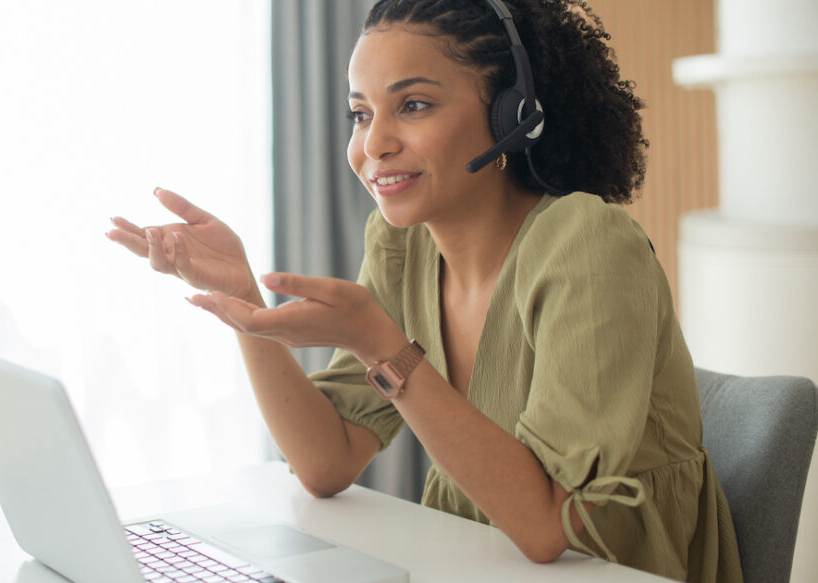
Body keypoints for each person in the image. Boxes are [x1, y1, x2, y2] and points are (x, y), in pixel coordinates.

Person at [107, 0, 741, 580]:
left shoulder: (589, 246)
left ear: (511, 115)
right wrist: (245, 302)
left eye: (413, 105)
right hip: (472, 559)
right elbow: (326, 463)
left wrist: (381, 346)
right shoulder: (402, 248)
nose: (373, 145)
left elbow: (552, 527)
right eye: (360, 114)